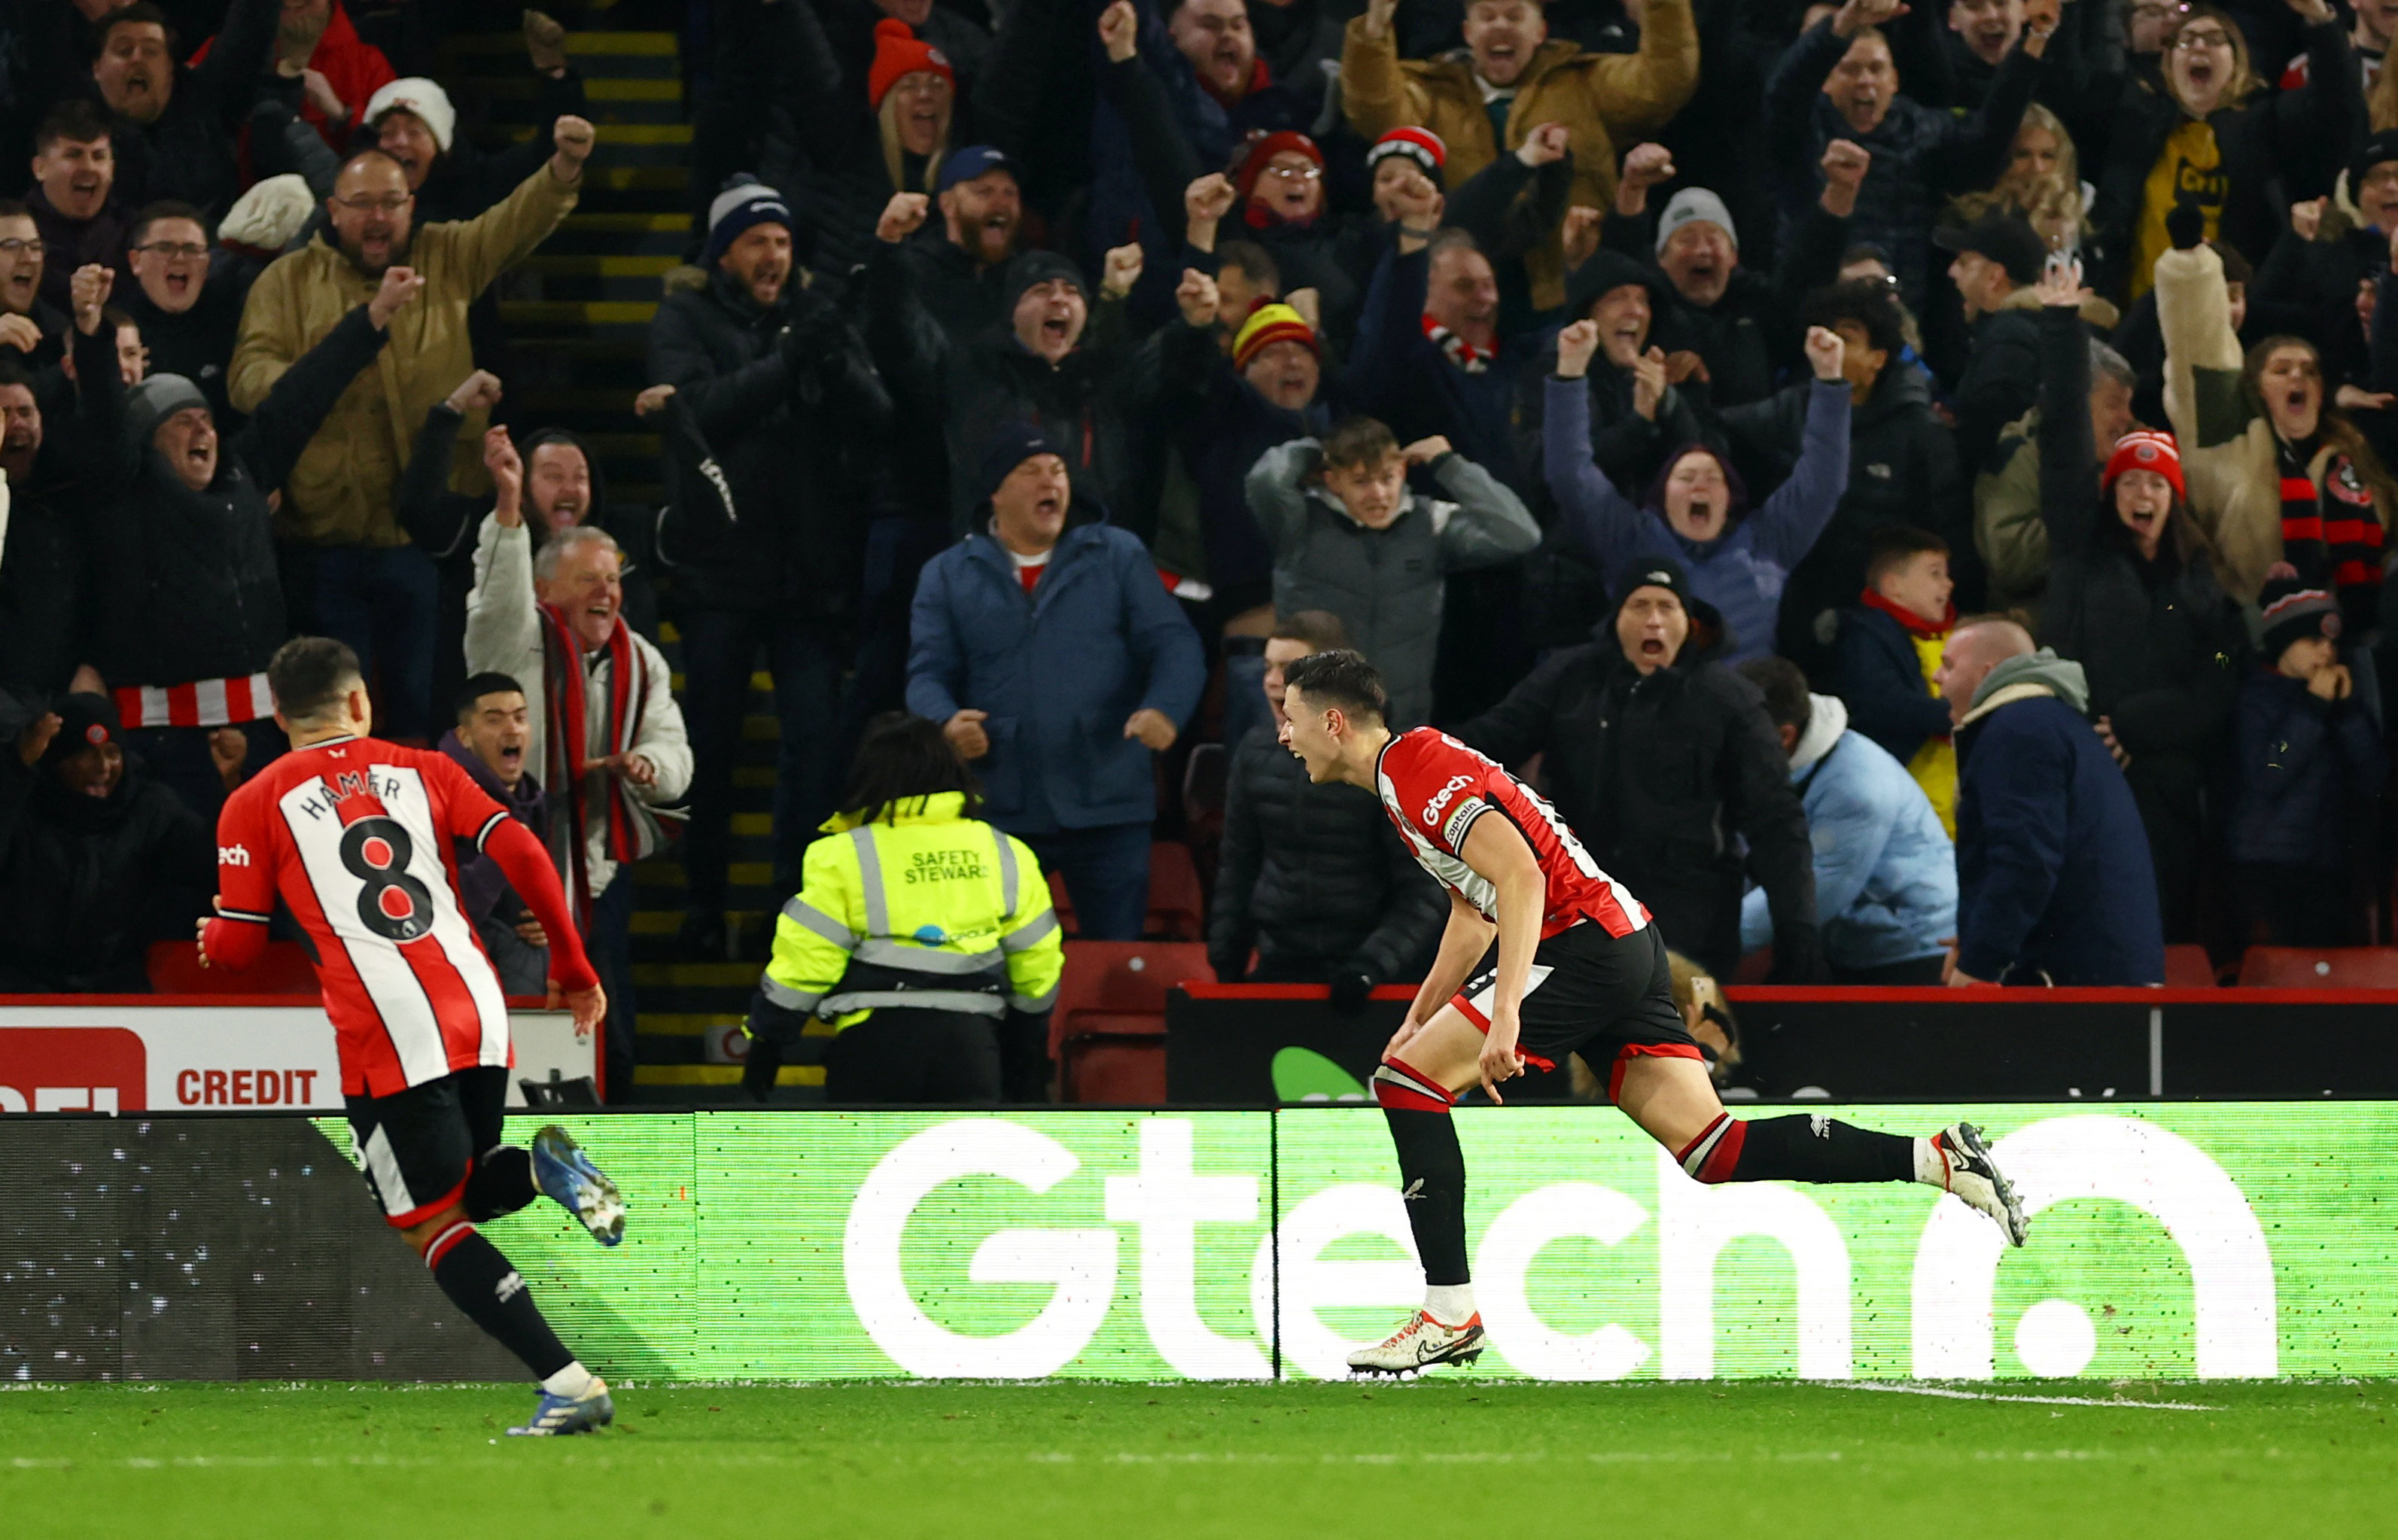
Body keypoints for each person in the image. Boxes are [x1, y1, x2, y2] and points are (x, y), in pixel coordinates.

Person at [1272, 647, 2025, 1375]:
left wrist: (1504, 1016)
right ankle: (1938, 1159)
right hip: (1621, 942)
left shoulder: (1417, 772)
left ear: (1334, 722)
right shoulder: (1406, 775)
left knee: (1407, 1085)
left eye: (1290, 716)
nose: (1283, 734)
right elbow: (1474, 914)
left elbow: (1523, 878)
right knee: (1714, 1150)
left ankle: (1448, 1314)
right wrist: (1419, 1016)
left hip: (1581, 945)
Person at [199, 637, 620, 1435]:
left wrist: (210, 937)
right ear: (360, 702)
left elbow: (240, 947)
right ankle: (538, 1170)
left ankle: (569, 1384)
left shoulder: (254, 800)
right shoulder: (423, 767)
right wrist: (572, 963)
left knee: (430, 1223)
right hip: (476, 1003)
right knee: (470, 1188)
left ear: (279, 715)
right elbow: (523, 848)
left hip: (388, 1027)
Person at [229, 118, 594, 745]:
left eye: (391, 203)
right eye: (362, 204)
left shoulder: (446, 255)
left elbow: (514, 223)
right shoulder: (285, 282)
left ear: (412, 206)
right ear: (333, 211)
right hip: (323, 538)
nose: (378, 218)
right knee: (338, 726)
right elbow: (247, 380)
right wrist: (322, 371)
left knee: (423, 721)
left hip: (426, 542)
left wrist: (562, 170)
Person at [649, 178, 893, 958]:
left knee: (816, 750)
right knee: (711, 747)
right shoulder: (685, 316)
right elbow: (695, 412)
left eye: (783, 242)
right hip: (719, 572)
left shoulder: (814, 314)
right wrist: (788, 363)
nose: (774, 255)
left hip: (808, 578)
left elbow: (879, 417)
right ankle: (704, 907)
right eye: (757, 241)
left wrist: (833, 358)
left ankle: (797, 906)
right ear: (724, 252)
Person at [85, 257, 408, 819]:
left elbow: (302, 396)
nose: (202, 430)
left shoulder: (244, 470)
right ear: (147, 440)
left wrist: (373, 318)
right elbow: (103, 416)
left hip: (260, 726)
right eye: (181, 421)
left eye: (205, 418)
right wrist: (91, 332)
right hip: (162, 737)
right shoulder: (124, 492)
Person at [1453, 558, 1821, 982]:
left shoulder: (1730, 702)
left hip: (1689, 925)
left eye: (1667, 607)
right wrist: (1409, 754)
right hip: (1577, 912)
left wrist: (1798, 931)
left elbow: (1777, 823)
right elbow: (1490, 742)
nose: (1654, 620)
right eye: (1639, 606)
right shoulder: (1571, 679)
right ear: (1616, 620)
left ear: (1689, 623)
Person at [906, 422, 1207, 940]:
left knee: (1115, 960)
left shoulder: (1118, 554)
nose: (1050, 481)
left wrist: (1165, 708)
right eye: (1031, 472)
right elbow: (926, 672)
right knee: (994, 957)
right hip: (1002, 801)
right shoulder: (948, 573)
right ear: (996, 493)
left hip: (1109, 800)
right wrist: (945, 722)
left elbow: (1175, 645)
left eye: (1058, 470)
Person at [466, 431, 692, 1100]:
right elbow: (497, 595)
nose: (607, 592)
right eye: (589, 579)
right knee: (520, 1015)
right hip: (507, 867)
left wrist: (647, 766)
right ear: (544, 587)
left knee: (608, 1028)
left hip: (597, 867)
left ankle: (614, 1130)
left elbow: (675, 751)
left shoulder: (641, 659)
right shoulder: (514, 638)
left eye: (614, 579)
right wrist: (509, 506)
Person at [2030, 258, 2245, 943]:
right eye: (2128, 482)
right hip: (2087, 768)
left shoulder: (2204, 587)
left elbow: (2219, 680)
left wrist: (2133, 726)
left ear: (2174, 497)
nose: (2142, 494)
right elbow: (2062, 440)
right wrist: (2061, 327)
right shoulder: (2081, 555)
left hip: (2169, 787)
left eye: (2156, 484)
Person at [742, 711, 1064, 1105]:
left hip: (871, 1046)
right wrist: (1026, 1037)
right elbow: (1038, 959)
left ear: (868, 773)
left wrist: (769, 1036)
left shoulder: (843, 854)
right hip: (971, 1046)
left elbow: (807, 961)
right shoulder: (1005, 852)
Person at [1338, 0, 1699, 314]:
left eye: (1514, 16)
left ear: (1540, 31)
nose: (1500, 25)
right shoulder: (1432, 93)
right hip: (1465, 301)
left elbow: (1663, 83)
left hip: (1574, 291)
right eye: (1487, 16)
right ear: (1467, 32)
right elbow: (1375, 112)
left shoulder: (1584, 83)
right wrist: (1374, 29)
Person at [1547, 317, 1852, 662]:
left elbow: (1823, 481)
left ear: (1729, 499)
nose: (1700, 484)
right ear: (1662, 497)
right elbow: (1570, 475)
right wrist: (1570, 373)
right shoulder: (1629, 539)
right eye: (1686, 477)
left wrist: (1830, 380)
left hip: (1747, 692)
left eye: (1713, 478)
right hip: (1655, 691)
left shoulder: (1768, 541)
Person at [2157, 212, 2396, 616]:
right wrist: (2191, 268)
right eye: (2281, 370)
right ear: (2254, 389)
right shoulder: (2227, 438)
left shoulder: (2353, 451)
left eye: (2309, 371)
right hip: (2253, 631)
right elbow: (2201, 352)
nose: (2297, 377)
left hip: (2359, 630)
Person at [1730, 275, 1967, 678]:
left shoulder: (1920, 432)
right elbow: (1722, 434)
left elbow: (1949, 530)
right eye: (1825, 333)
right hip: (1796, 607)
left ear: (1879, 358)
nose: (1831, 345)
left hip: (1883, 618)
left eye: (1847, 337)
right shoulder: (1791, 409)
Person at [1245, 415, 1538, 729]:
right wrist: (1314, 452)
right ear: (1333, 481)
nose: (1379, 494)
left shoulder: (1432, 523)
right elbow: (1266, 481)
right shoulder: (1299, 524)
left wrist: (1449, 464)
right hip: (1308, 720)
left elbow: (1519, 534)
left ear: (1403, 472)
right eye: (1361, 481)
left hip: (1397, 724)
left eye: (1388, 478)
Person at [1209, 612, 1444, 997]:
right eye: (1267, 667)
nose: (1271, 680)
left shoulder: (1390, 763)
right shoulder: (1255, 754)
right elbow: (1238, 865)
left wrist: (1370, 968)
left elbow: (1424, 889)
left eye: (1287, 669)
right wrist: (1226, 960)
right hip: (1283, 962)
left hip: (1375, 973)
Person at [1762, 0, 2049, 304]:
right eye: (1850, 69)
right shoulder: (1803, 131)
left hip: (1902, 309)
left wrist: (2036, 39)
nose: (1865, 80)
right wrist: (1842, 24)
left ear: (1894, 80)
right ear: (1827, 81)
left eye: (1876, 69)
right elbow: (1785, 91)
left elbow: (1988, 146)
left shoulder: (1922, 130)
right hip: (1813, 304)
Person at [1933, 616, 2165, 985]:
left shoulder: (2018, 730)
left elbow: (2024, 861)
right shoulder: (2051, 721)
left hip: (2070, 985)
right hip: (2101, 973)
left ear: (1987, 673)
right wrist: (1973, 938)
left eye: (1948, 665)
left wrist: (1980, 963)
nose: (1936, 677)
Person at [2095, 0, 2360, 303]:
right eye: (2186, 40)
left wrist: (2321, 22)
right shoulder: (2137, 125)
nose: (2199, 47)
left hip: (2241, 311)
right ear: (2168, 63)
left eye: (2214, 40)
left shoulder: (2268, 125)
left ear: (2238, 61)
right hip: (2145, 312)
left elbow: (2338, 108)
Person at [1737, 657, 1956, 985]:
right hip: (1854, 943)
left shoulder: (1857, 787)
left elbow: (1810, 890)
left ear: (1784, 736)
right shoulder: (1777, 766)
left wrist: (1696, 948)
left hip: (1914, 952)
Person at [0, 692, 212, 992]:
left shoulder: (152, 810)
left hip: (116, 982)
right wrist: (14, 770)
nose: (103, 767)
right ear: (56, 759)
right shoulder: (21, 806)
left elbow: (210, 865)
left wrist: (230, 786)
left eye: (112, 753)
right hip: (19, 983)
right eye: (86, 754)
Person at [2228, 575, 2387, 945]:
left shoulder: (2339, 699)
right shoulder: (2256, 698)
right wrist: (2311, 712)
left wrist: (2348, 716)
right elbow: (2270, 768)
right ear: (2284, 643)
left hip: (2326, 863)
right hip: (2266, 867)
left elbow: (2373, 777)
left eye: (2332, 644)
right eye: (2313, 641)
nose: (2326, 653)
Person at [82, 0, 279, 215]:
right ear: (97, 68)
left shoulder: (211, 101)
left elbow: (251, 28)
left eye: (150, 51)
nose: (137, 58)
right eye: (124, 50)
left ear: (170, 66)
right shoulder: (77, 124)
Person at [1833, 525, 1960, 834]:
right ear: (1893, 586)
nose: (1949, 583)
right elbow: (1884, 704)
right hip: (1906, 805)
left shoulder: (1960, 635)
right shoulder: (1868, 637)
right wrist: (1958, 715)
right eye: (1935, 573)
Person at [438, 673, 549, 998]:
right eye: (494, 720)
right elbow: (443, 910)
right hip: (459, 963)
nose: (512, 729)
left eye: (520, 718)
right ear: (465, 737)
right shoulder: (437, 798)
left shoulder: (537, 803)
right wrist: (503, 852)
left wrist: (551, 920)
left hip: (524, 962)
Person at [119, 200, 249, 425]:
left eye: (191, 249)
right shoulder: (114, 329)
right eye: (164, 248)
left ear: (207, 263)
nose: (179, 258)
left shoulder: (231, 320)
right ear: (136, 261)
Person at [1936, 210, 2047, 472]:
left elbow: (1987, 441)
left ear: (1994, 277)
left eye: (1964, 263)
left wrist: (1948, 434)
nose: (1952, 271)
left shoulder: (2010, 339)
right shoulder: (2018, 330)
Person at [25, 101, 127, 317]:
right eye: (73, 155)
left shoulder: (134, 233)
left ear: (112, 169)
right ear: (40, 168)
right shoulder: (8, 233)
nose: (88, 167)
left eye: (98, 156)